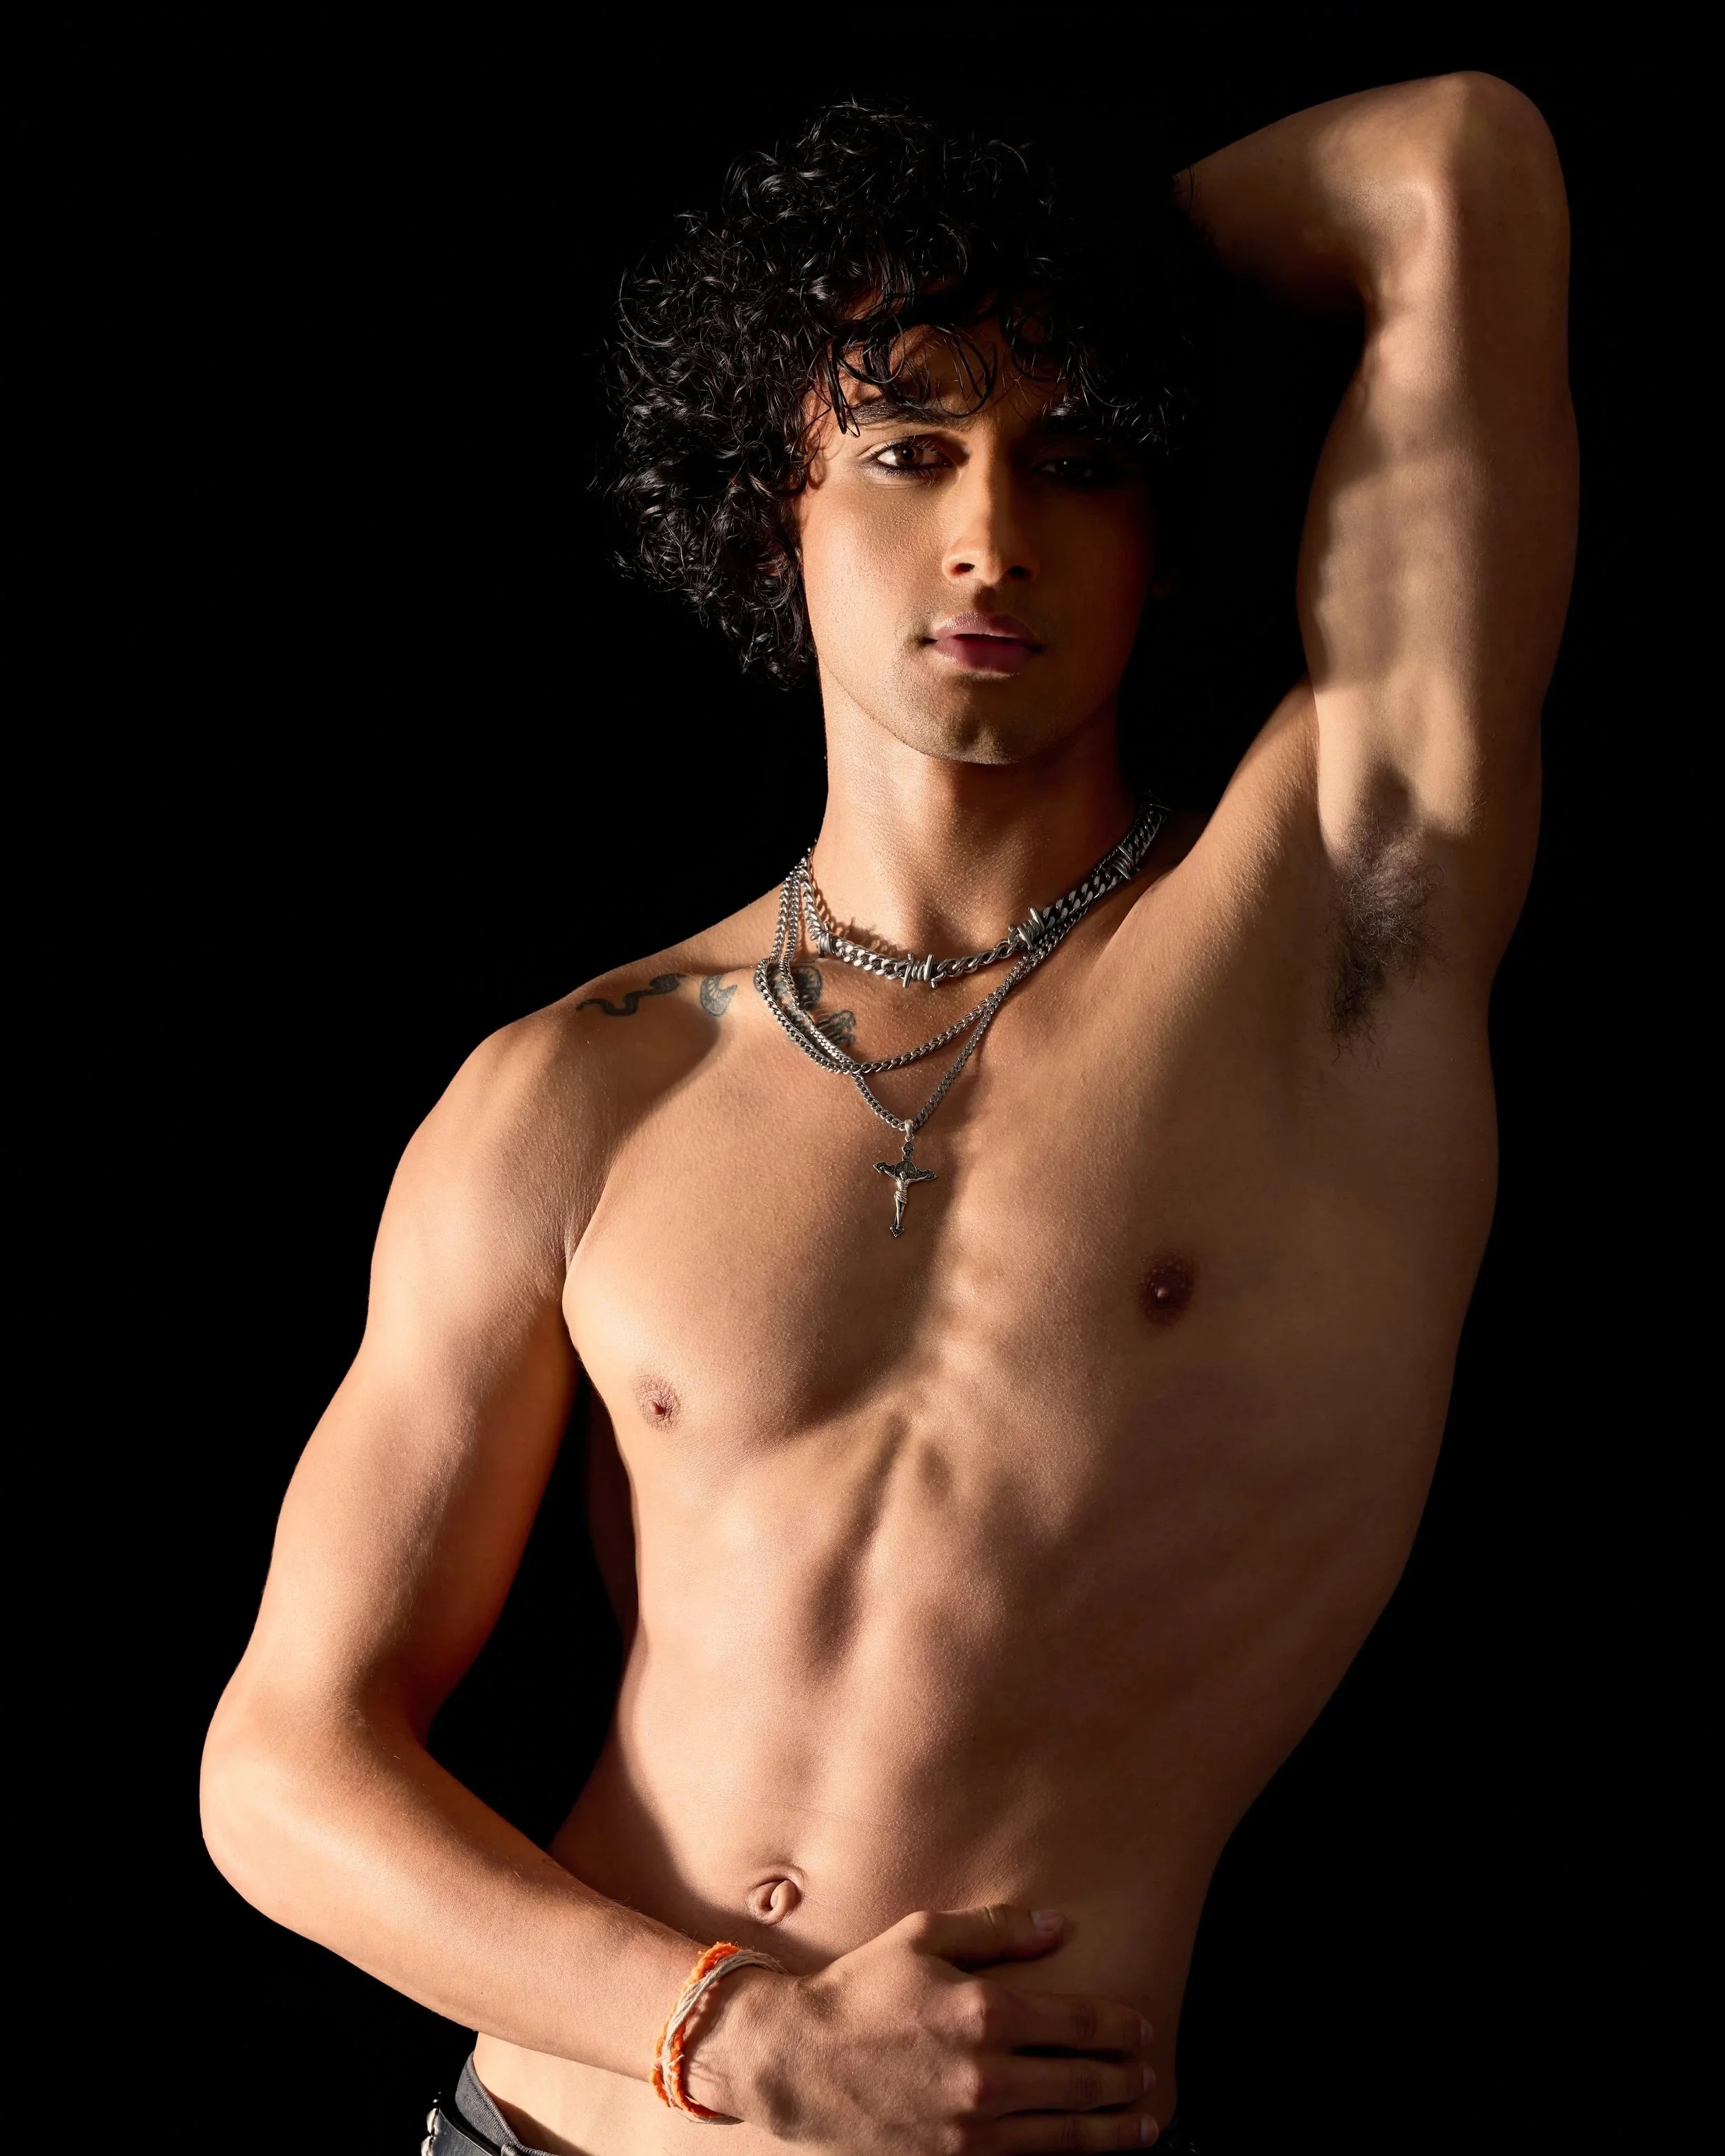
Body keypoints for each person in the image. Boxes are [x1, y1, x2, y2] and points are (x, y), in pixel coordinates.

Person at [201, 77, 1575, 2155]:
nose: (990, 533)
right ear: (776, 501)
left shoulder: (1332, 939)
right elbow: (279, 1767)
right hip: (541, 2129)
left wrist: (1029, 282)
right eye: (908, 445)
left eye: (1075, 458)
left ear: (1157, 532)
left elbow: (1454, 160)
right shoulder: (582, 1084)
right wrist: (731, 2030)